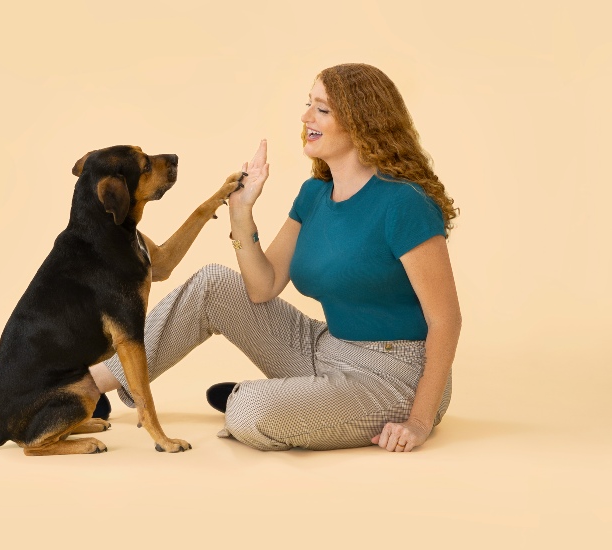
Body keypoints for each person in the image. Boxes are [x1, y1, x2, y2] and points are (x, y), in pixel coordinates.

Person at [89, 63, 461, 453]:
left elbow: (446, 319)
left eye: (322, 109)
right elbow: (262, 287)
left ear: (361, 122)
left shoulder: (404, 203)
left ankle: (265, 398)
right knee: (213, 283)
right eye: (308, 104)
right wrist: (241, 211)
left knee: (251, 411)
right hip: (326, 347)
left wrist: (419, 421)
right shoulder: (315, 194)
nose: (306, 117)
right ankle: (88, 386)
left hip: (395, 375)